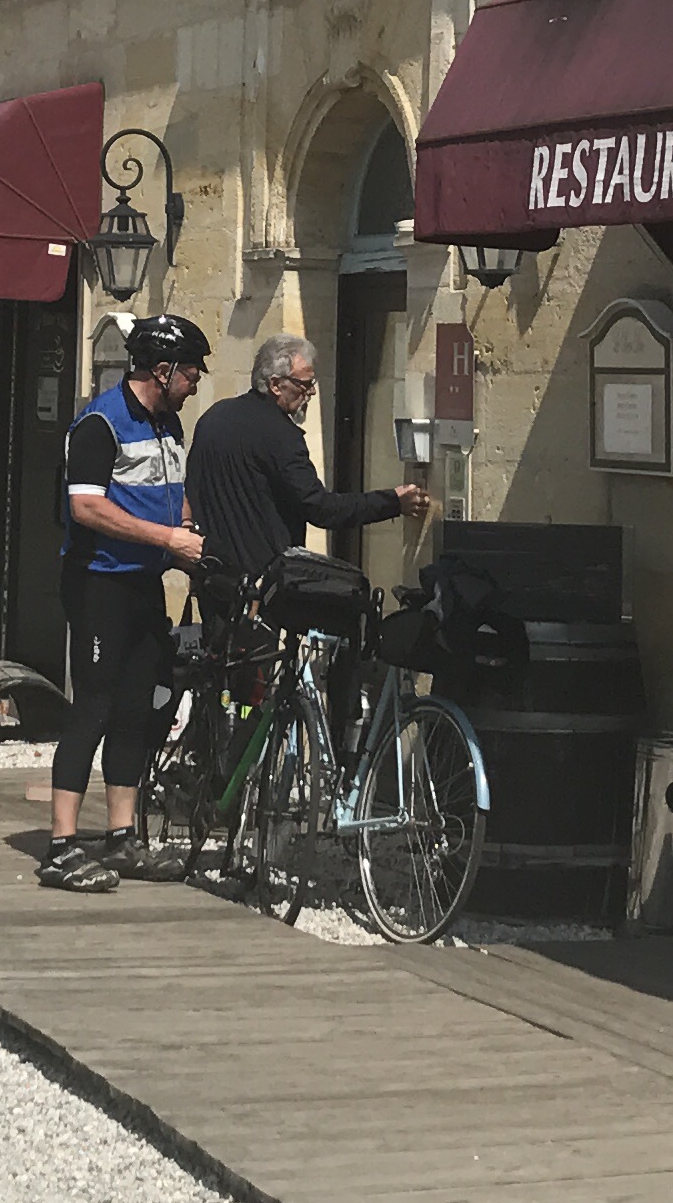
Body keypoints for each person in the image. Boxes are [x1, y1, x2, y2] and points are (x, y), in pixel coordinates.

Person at [38, 312, 210, 893]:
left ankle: (121, 837)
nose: (195, 382)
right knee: (95, 705)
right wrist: (167, 539)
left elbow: (171, 497)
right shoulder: (100, 424)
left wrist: (189, 534)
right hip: (98, 583)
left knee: (137, 707)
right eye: (190, 372)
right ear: (161, 371)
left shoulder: (169, 425)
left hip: (144, 582)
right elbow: (86, 507)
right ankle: (60, 846)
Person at [188, 332, 428, 590]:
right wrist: (393, 501)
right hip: (261, 586)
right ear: (275, 385)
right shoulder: (281, 434)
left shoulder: (213, 418)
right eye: (304, 384)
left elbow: (192, 490)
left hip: (213, 580)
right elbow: (320, 508)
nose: (311, 391)